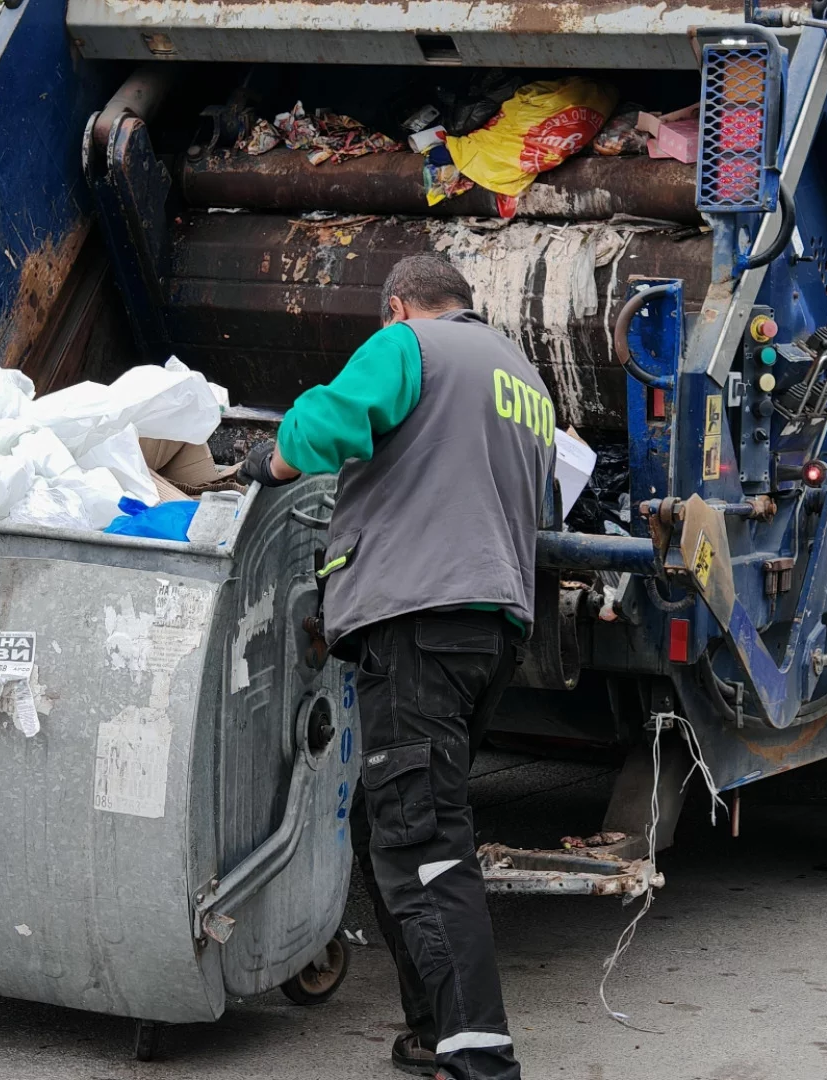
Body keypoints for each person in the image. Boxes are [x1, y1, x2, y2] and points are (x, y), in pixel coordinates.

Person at [241, 254, 555, 1080]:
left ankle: (479, 1056)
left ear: (397, 307)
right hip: (489, 631)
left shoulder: (410, 344)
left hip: (419, 621)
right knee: (389, 826)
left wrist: (264, 463)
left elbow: (329, 426)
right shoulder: (522, 375)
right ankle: (432, 1030)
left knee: (420, 840)